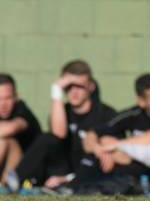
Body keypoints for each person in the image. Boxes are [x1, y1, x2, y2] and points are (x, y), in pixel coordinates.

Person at [6, 60, 115, 192]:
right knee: (47, 138)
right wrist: (56, 90)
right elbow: (58, 133)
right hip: (60, 170)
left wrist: (68, 179)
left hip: (87, 174)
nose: (74, 92)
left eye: (79, 86)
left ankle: (66, 184)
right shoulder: (61, 111)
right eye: (68, 86)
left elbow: (108, 157)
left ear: (91, 86)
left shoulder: (106, 114)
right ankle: (13, 182)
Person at [84, 73, 150, 180]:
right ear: (142, 102)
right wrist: (98, 150)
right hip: (141, 168)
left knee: (111, 144)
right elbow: (91, 134)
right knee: (105, 140)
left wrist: (117, 144)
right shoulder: (133, 114)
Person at [0, 74, 41, 187]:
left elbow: (11, 128)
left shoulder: (21, 110)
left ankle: (3, 186)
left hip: (28, 172)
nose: (3, 104)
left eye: (7, 98)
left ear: (16, 97)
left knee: (4, 139)